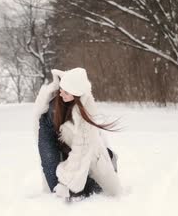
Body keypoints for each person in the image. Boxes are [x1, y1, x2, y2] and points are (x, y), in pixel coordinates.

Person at [33, 67, 122, 199]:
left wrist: (70, 182)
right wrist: (62, 183)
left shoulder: (85, 112)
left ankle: (109, 158)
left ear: (76, 96)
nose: (61, 94)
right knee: (57, 187)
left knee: (95, 183)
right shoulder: (54, 108)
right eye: (61, 90)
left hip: (85, 148)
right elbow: (49, 155)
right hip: (51, 135)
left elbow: (81, 151)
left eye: (66, 92)